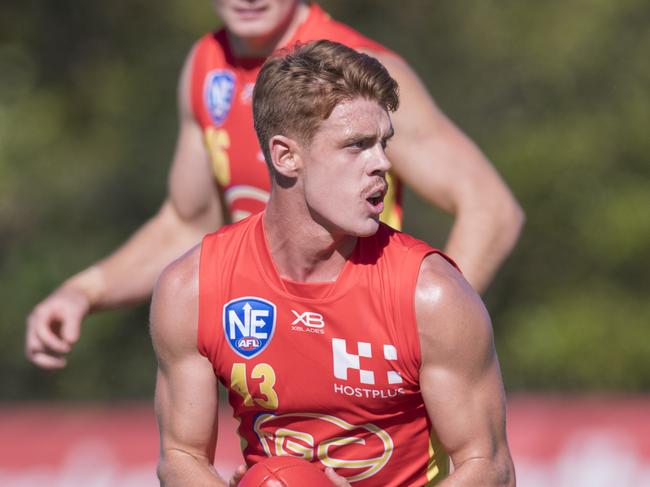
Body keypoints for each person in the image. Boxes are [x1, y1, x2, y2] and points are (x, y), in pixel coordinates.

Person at [26, 0, 524, 369]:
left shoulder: (358, 74)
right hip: (272, 367)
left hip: (367, 368)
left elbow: (491, 209)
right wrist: (84, 290)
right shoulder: (206, 66)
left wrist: (420, 344)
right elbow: (186, 223)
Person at [151, 40, 515, 487]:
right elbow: (180, 455)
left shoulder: (432, 295)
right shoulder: (193, 287)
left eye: (384, 143)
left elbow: (490, 468)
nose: (382, 163)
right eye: (356, 146)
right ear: (286, 156)